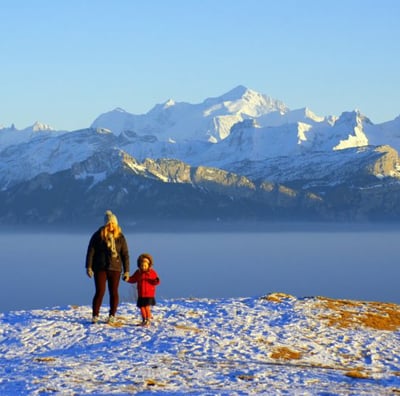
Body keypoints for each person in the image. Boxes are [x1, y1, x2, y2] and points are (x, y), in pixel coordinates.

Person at [85, 210, 130, 324]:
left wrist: (127, 271)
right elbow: (91, 251)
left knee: (114, 292)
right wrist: (89, 267)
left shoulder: (120, 237)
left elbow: (125, 254)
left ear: (116, 224)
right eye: (109, 224)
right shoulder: (98, 236)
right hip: (100, 267)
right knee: (100, 291)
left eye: (113, 224)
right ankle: (95, 315)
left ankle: (112, 315)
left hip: (115, 268)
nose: (111, 226)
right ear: (105, 224)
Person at [126, 253, 160, 326]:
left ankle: (147, 319)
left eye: (145, 265)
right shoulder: (138, 272)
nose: (143, 267)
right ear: (139, 265)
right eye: (142, 265)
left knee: (146, 306)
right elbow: (133, 279)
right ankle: (145, 318)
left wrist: (156, 281)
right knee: (141, 307)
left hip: (149, 294)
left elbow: (155, 281)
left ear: (149, 265)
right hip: (141, 293)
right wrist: (127, 279)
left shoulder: (152, 273)